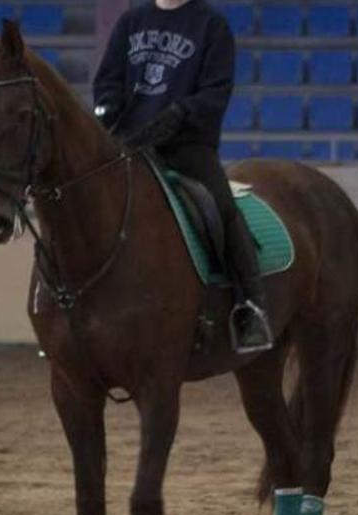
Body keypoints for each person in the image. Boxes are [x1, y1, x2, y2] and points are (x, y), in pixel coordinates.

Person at [92, 0, 271, 353]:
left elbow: (216, 92)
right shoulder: (131, 21)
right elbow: (108, 79)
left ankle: (250, 306)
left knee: (221, 207)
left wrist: (180, 114)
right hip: (131, 144)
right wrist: (108, 109)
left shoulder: (212, 25)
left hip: (187, 146)